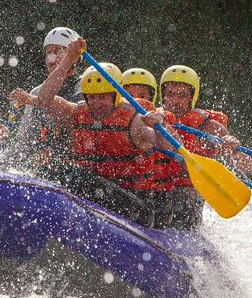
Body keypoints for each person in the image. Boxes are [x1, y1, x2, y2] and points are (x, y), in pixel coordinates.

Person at [35, 37, 174, 226]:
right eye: (91, 97)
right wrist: (69, 58)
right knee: (55, 172)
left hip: (136, 208)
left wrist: (159, 127)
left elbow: (164, 144)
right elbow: (43, 100)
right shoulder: (78, 113)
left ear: (116, 95)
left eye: (103, 97)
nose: (97, 104)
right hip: (98, 199)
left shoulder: (134, 120)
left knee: (81, 178)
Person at [157, 65, 251, 230]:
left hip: (188, 195)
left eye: (182, 95)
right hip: (157, 189)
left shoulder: (208, 127)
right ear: (162, 96)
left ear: (192, 97)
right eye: (170, 94)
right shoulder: (152, 120)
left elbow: (245, 166)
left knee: (184, 200)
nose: (175, 101)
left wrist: (231, 146)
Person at [0, 26, 84, 184]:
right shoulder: (36, 92)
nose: (51, 59)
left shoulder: (84, 87)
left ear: (74, 57)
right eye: (49, 51)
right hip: (41, 175)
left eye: (59, 51)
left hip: (73, 176)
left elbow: (73, 117)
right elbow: (23, 143)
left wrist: (31, 99)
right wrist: (1, 167)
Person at [121, 68, 178, 228]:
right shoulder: (114, 118)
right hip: (129, 191)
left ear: (151, 99)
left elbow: (174, 144)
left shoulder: (158, 118)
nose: (136, 100)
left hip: (159, 194)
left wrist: (160, 123)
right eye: (129, 95)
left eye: (142, 96)